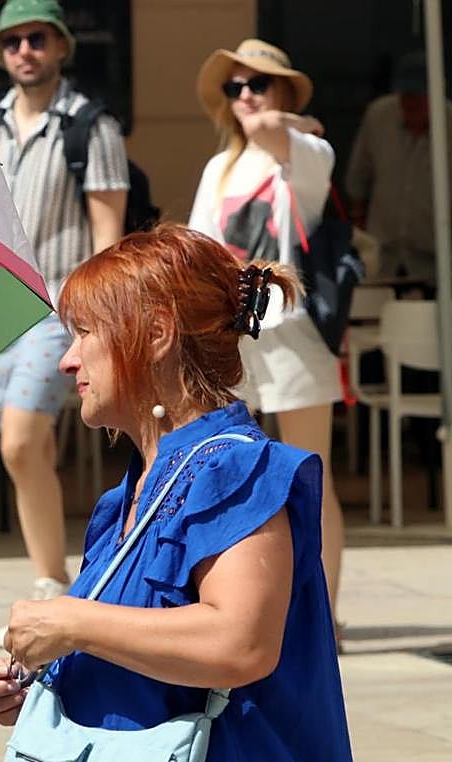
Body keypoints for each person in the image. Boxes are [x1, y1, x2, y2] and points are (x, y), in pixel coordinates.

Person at [0, 224, 360, 762]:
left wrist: (70, 623)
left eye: (84, 334)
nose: (66, 358)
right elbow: (141, 646)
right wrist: (42, 679)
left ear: (155, 334)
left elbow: (239, 642)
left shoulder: (234, 467)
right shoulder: (135, 489)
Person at [0, 0, 129, 647]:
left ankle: (49, 585)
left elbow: (108, 234)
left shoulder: (92, 126)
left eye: (37, 38)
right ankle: (54, 580)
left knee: (18, 442)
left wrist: (100, 317)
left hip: (59, 308)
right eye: (13, 40)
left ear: (61, 46)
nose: (24, 50)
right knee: (30, 448)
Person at [187, 39, 346, 625]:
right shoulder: (219, 166)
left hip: (294, 337)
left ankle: (323, 616)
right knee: (237, 474)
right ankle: (255, 606)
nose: (246, 96)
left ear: (283, 92)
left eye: (259, 84)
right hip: (236, 338)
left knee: (311, 475)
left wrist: (293, 119)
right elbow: (203, 250)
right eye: (235, 87)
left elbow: (281, 133)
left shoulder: (306, 151)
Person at [346, 50, 452, 287]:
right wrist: (360, 234)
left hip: (434, 259)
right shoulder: (379, 116)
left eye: (420, 96)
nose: (411, 103)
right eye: (406, 95)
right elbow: (358, 179)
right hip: (382, 254)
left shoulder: (449, 123)